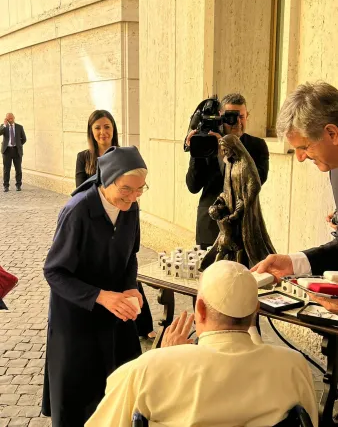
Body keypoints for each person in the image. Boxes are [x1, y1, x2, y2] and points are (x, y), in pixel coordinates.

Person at [86, 261, 318, 427]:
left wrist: (164, 359)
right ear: (255, 312)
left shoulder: (147, 370)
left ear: (200, 309)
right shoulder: (293, 366)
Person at [42, 146, 149, 427]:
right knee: (79, 403)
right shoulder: (77, 211)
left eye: (140, 190)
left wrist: (129, 288)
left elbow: (131, 256)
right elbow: (54, 272)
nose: (133, 197)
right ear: (108, 179)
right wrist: (100, 296)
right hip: (76, 318)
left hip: (114, 314)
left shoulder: (131, 207)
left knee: (120, 395)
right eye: (127, 189)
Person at [251, 81, 338, 313]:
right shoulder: (333, 167)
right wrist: (293, 263)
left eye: (305, 147)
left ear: (332, 133)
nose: (300, 158)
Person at [75, 109, 156, 340]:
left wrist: (126, 197)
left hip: (120, 219)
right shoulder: (85, 157)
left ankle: (141, 324)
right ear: (92, 131)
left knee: (127, 271)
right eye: (98, 127)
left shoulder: (126, 157)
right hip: (96, 221)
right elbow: (80, 188)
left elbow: (133, 253)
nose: (103, 131)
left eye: (107, 126)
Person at [185, 93, 269, 249]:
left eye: (241, 117)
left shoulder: (257, 146)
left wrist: (228, 152)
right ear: (219, 117)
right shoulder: (207, 143)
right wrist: (196, 152)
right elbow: (193, 186)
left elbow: (256, 181)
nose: (237, 122)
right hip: (210, 225)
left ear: (247, 116)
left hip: (244, 226)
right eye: (230, 117)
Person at [0, 113, 26, 192]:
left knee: (18, 169)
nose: (10, 120)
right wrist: (4, 125)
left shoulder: (19, 127)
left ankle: (18, 185)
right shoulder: (4, 127)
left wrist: (18, 145)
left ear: (14, 118)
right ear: (6, 119)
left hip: (16, 151)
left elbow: (24, 139)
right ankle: (6, 186)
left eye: (11, 118)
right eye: (8, 119)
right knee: (6, 170)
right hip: (6, 151)